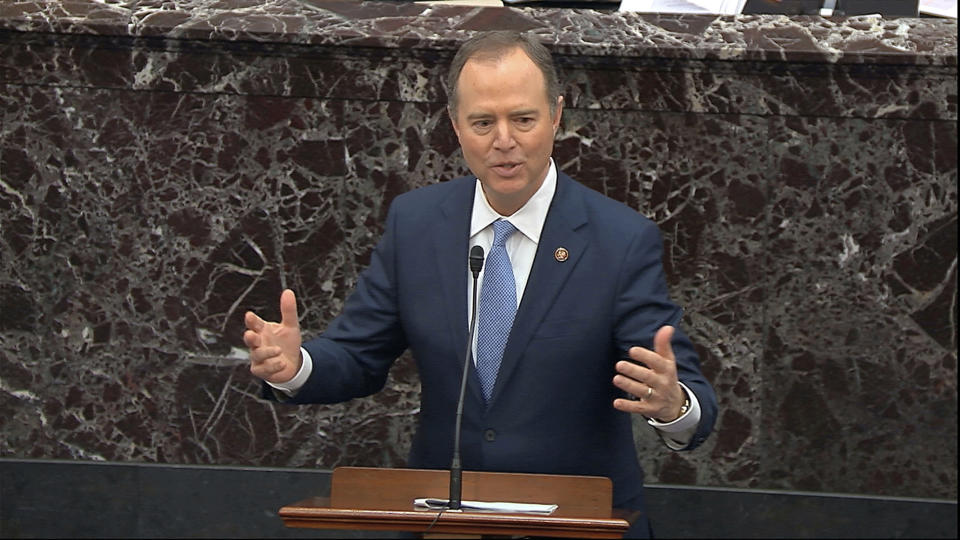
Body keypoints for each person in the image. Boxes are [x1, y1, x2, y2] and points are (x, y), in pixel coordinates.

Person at [244, 30, 717, 537]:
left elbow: (689, 397)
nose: (504, 141)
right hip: (445, 520)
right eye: (483, 122)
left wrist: (674, 406)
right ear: (455, 125)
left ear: (557, 115)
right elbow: (358, 356)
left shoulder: (620, 239)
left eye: (523, 119)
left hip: (577, 524)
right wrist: (294, 367)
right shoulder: (418, 224)